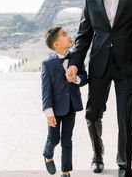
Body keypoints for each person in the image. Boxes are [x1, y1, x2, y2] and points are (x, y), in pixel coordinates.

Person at [66, 0, 132, 177]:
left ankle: (125, 166)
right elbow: (83, 36)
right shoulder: (90, 0)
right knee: (92, 113)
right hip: (99, 65)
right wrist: (74, 64)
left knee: (126, 117)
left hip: (127, 66)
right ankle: (97, 155)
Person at [41, 27, 87, 177]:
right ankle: (48, 155)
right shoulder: (47, 64)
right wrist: (48, 113)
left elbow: (85, 78)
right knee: (54, 138)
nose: (69, 36)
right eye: (64, 34)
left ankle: (65, 171)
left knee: (67, 140)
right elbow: (46, 91)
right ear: (56, 45)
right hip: (54, 109)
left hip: (71, 107)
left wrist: (77, 79)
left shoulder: (77, 58)